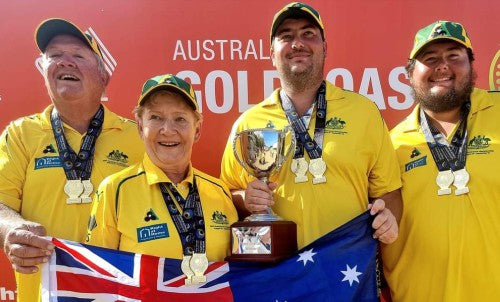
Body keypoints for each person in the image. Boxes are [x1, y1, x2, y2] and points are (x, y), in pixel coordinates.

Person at [220, 2, 402, 250]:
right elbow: (225, 198)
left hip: (347, 272)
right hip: (281, 274)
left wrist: (389, 220)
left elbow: (389, 192)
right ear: (272, 53)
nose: (298, 43)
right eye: (287, 36)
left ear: (324, 48)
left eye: (308, 34)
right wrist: (245, 199)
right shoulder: (249, 123)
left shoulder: (364, 112)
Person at [0, 18, 144, 301]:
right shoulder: (20, 134)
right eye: (54, 55)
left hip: (119, 293)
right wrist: (11, 229)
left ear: (103, 77)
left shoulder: (137, 137)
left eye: (78, 55)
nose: (65, 62)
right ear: (44, 71)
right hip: (44, 293)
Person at [381, 20, 500, 301]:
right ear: (410, 74)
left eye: (453, 56)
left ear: (472, 65)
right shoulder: (391, 144)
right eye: (430, 58)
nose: (442, 66)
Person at [85, 74, 237, 284]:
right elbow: (99, 278)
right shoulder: (114, 190)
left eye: (180, 119)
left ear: (198, 130)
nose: (167, 130)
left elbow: (236, 275)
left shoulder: (219, 191)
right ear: (140, 127)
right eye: (156, 118)